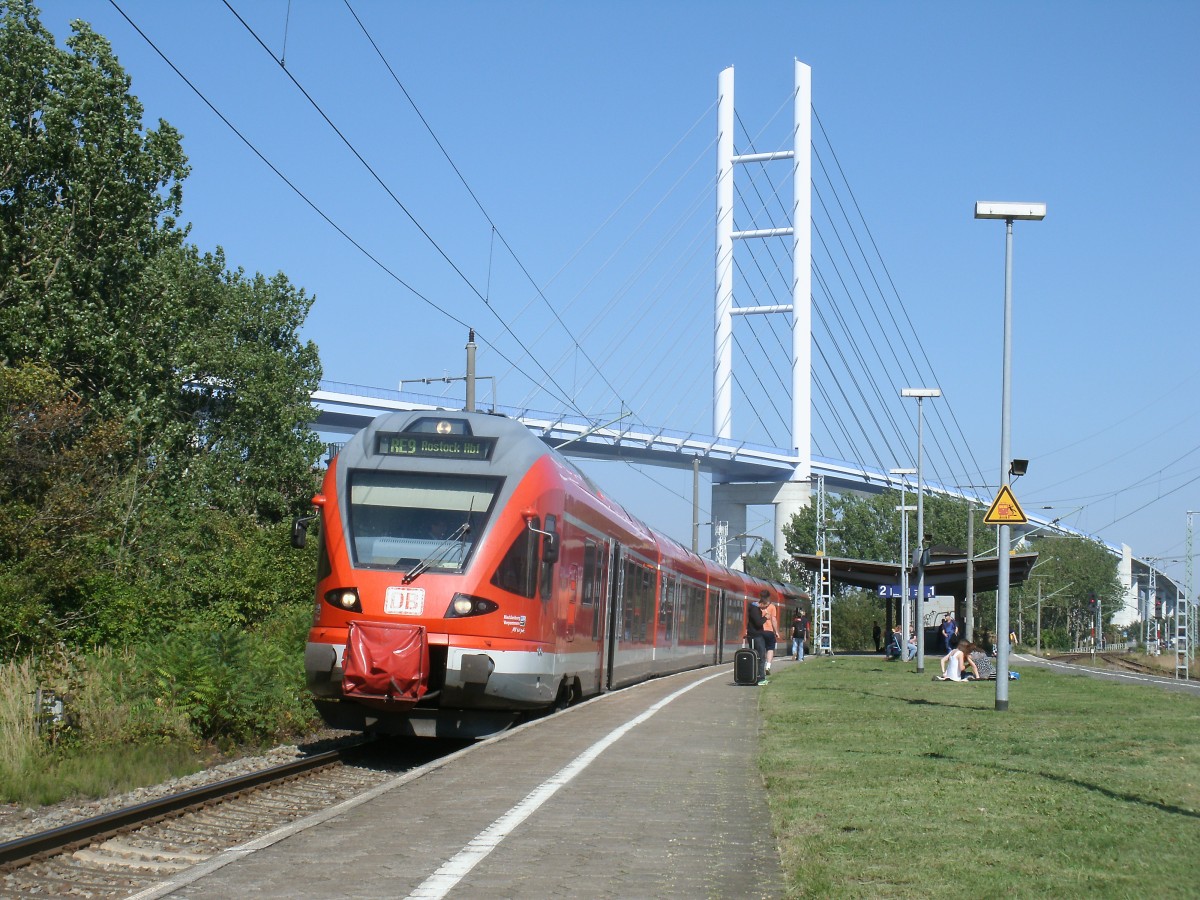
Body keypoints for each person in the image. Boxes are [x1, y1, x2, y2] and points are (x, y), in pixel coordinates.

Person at [745, 595, 770, 684]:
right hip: (755, 636)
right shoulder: (754, 610)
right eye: (765, 606)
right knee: (760, 657)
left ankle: (757, 677)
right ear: (761, 603)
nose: (765, 608)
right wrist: (765, 617)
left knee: (759, 657)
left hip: (755, 635)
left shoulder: (755, 609)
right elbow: (758, 623)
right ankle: (760, 678)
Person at [761, 592, 780, 675]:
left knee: (760, 649)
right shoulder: (772, 607)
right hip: (769, 631)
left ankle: (759, 667)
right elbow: (774, 620)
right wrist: (776, 632)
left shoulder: (758, 606)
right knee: (770, 649)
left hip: (759, 631)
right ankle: (768, 666)